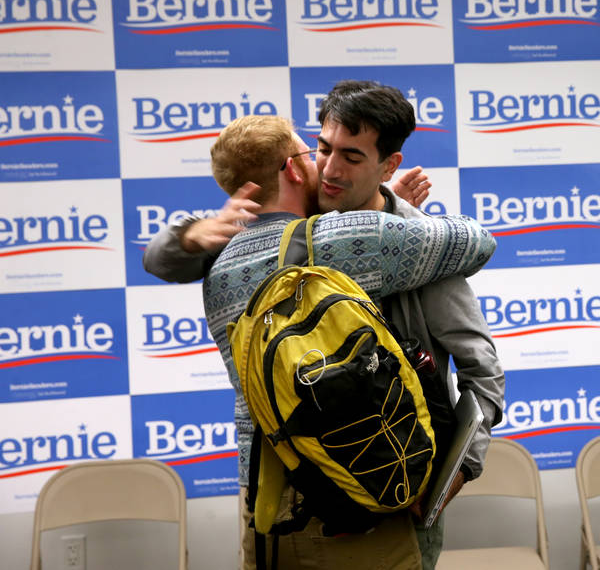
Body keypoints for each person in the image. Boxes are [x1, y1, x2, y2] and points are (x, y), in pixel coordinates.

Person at [144, 83, 505, 569]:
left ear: (389, 165)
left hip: (272, 503)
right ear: (297, 165)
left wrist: (462, 467)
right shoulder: (377, 237)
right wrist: (397, 219)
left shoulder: (222, 258)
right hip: (362, 496)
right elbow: (478, 240)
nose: (331, 169)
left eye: (352, 157)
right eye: (320, 149)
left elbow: (482, 370)